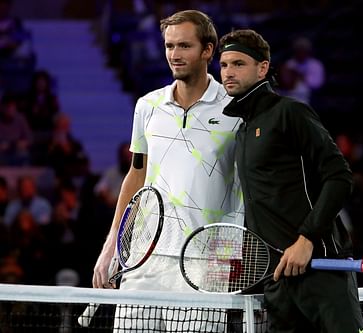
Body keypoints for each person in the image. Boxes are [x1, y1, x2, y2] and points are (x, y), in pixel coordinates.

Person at [92, 9, 242, 332]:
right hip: (144, 259)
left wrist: (229, 254)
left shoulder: (235, 111)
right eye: (169, 46)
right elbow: (136, 175)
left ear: (207, 50)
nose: (174, 55)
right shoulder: (147, 106)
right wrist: (111, 247)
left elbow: (244, 187)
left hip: (204, 263)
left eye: (184, 46)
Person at [219, 29, 363, 333]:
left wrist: (306, 239)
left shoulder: (290, 112)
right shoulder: (244, 131)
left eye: (238, 64)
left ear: (262, 68)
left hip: (320, 270)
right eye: (224, 65)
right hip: (278, 281)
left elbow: (339, 176)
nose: (228, 73)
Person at [277, 36, 325, 105]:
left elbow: (317, 84)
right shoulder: (290, 63)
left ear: (308, 51)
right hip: (289, 95)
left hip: (309, 96)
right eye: (299, 50)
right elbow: (285, 82)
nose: (301, 52)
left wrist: (300, 76)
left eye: (303, 50)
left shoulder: (316, 64)